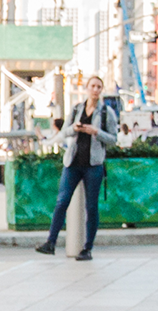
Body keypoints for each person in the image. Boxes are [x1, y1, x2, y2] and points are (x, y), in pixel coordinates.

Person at [37, 75, 117, 260]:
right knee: (61, 201)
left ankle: (87, 248)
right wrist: (75, 128)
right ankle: (51, 242)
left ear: (101, 89)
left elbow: (113, 139)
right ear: (87, 88)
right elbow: (64, 132)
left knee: (91, 206)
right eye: (92, 86)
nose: (95, 89)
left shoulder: (106, 113)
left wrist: (96, 132)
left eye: (99, 86)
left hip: (93, 165)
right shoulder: (76, 109)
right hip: (72, 162)